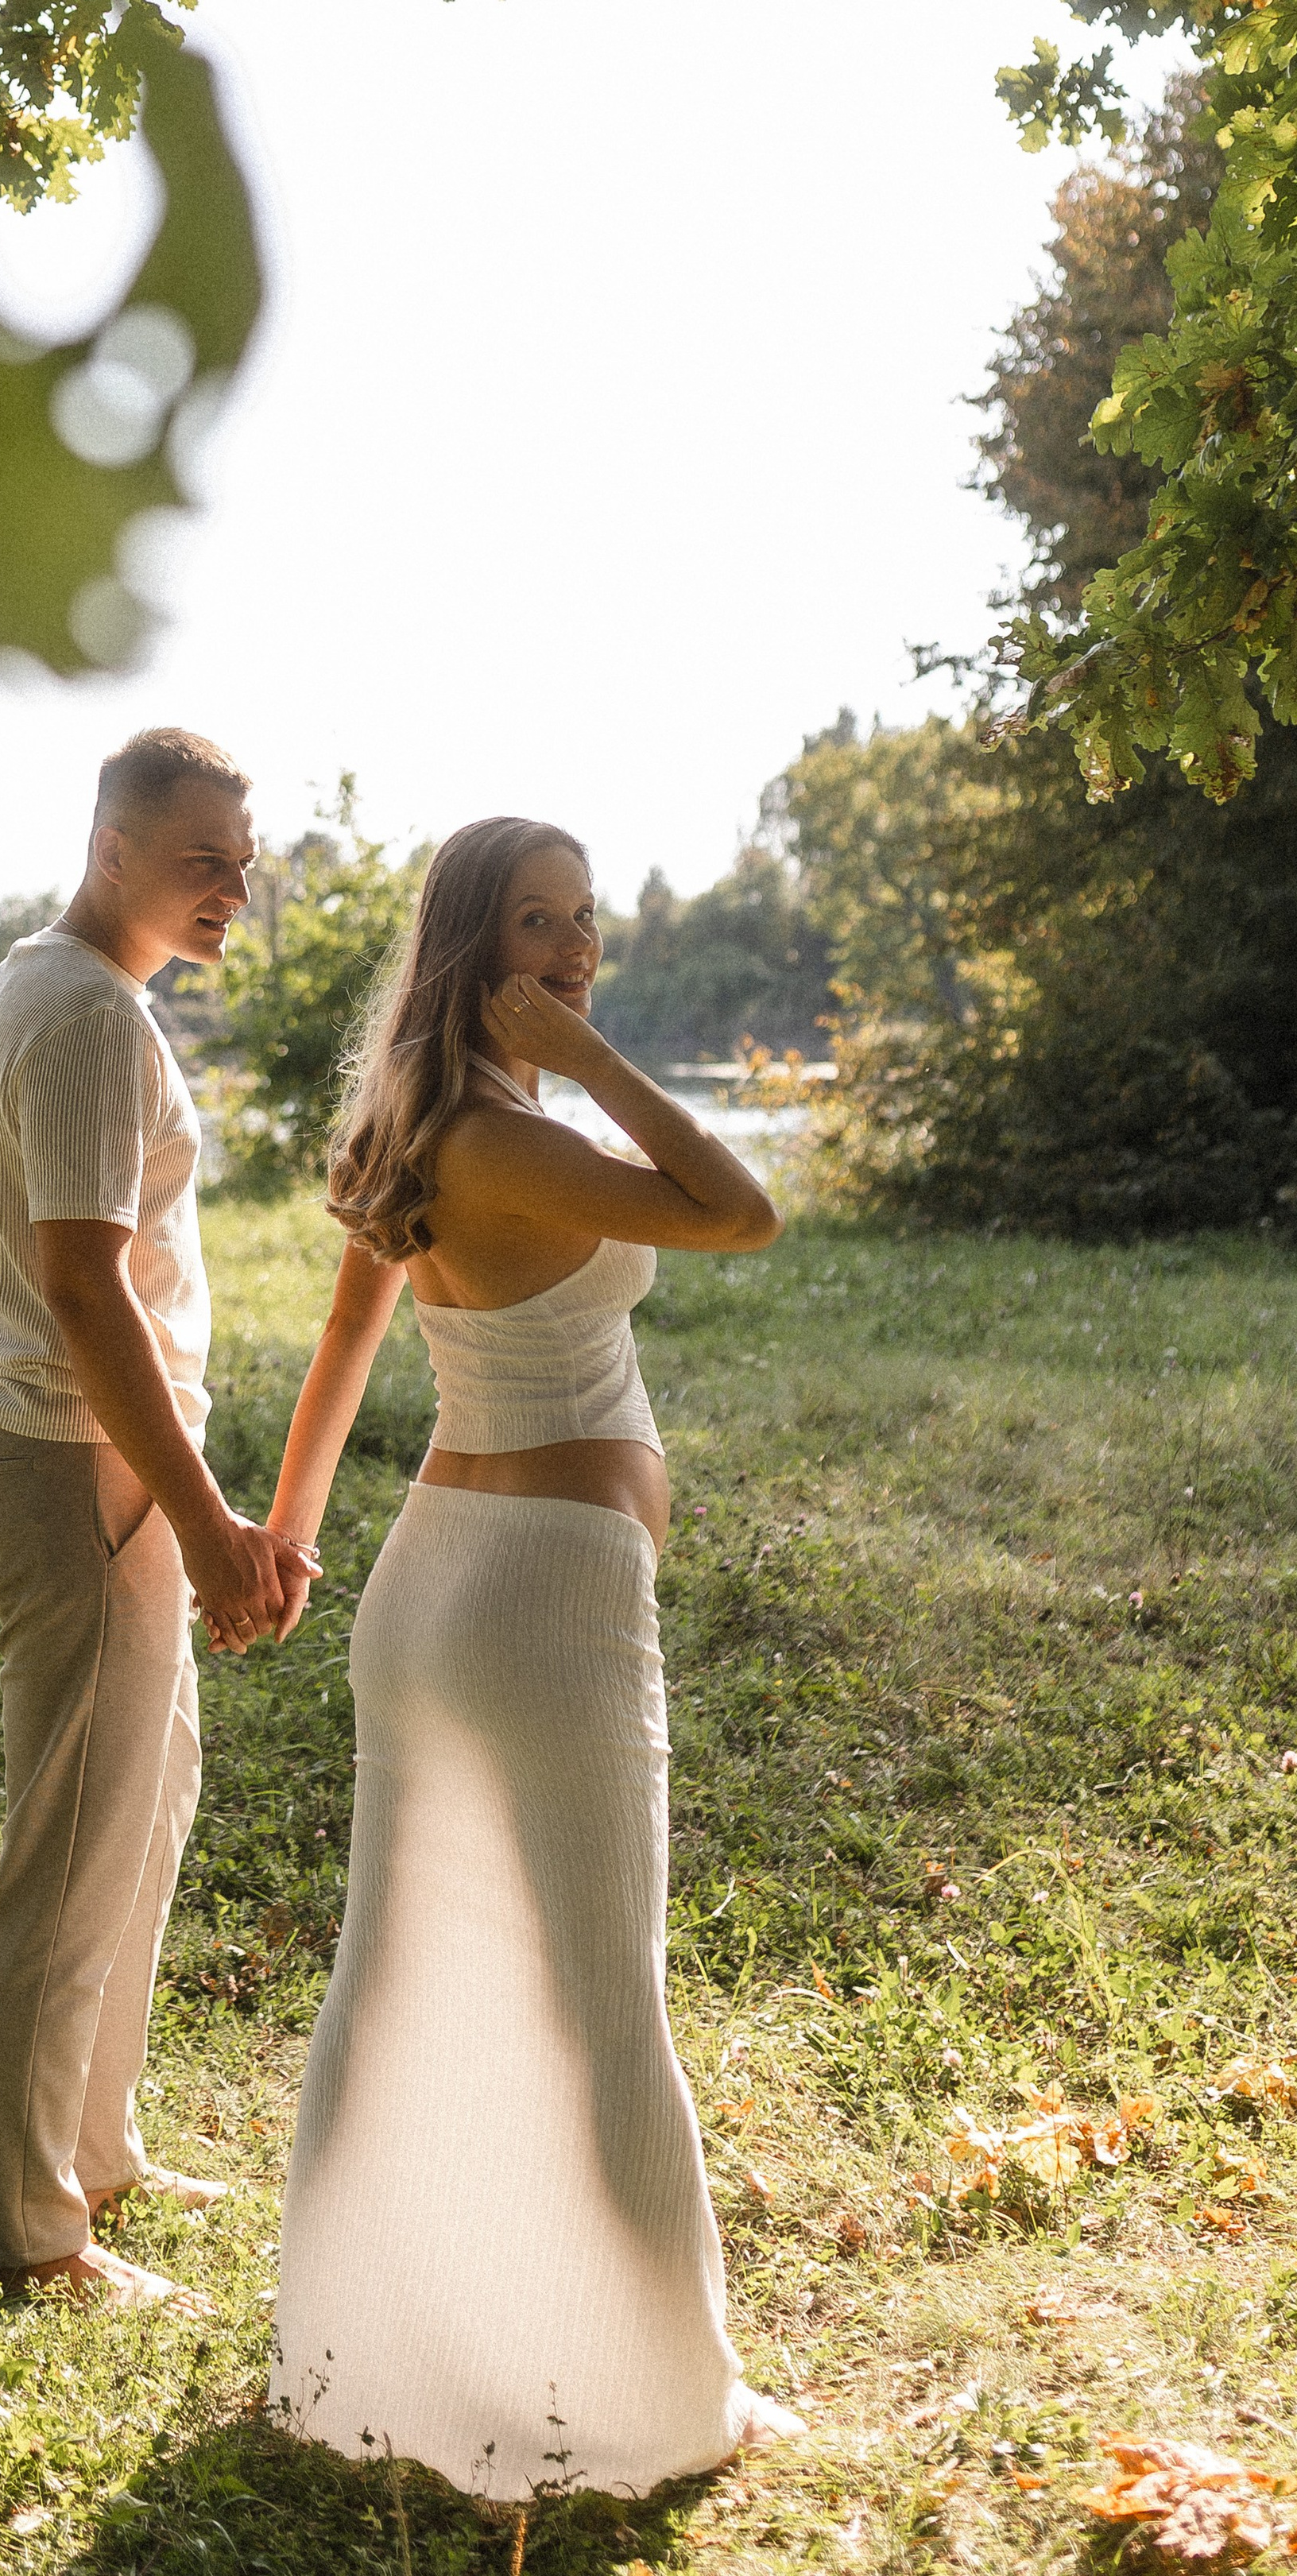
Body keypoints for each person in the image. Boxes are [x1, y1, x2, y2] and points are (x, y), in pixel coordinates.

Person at [263, 816, 805, 2495]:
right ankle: (652, 2394)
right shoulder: (502, 1131)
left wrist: (284, 1527)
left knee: (428, 1976)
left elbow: (356, 1325)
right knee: (594, 1996)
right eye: (534, 926)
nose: (570, 949)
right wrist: (584, 1052)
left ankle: (371, 2354)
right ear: (469, 950)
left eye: (586, 924)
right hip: (533, 1610)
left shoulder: (432, 1119)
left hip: (447, 1587)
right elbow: (741, 1212)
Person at [0, 728, 318, 2311]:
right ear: (113, 849)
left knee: (137, 1820)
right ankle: (26, 2237)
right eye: (199, 858)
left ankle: (92, 2148)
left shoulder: (62, 991)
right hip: (67, 1466)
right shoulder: (89, 1014)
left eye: (242, 859)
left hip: (76, 1466)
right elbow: (86, 1288)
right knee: (72, 1850)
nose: (231, 886)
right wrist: (212, 1521)